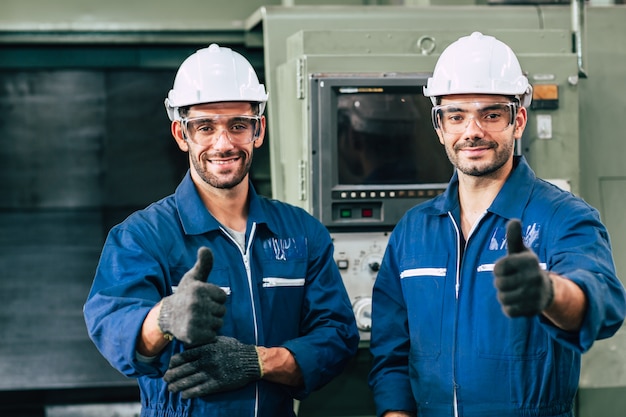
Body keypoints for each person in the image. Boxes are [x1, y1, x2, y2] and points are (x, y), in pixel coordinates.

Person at [83, 43, 359, 417]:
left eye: (238, 125)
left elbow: (337, 337)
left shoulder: (302, 233)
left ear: (257, 131)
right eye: (205, 127)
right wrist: (163, 318)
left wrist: (258, 362)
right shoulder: (142, 236)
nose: (223, 143)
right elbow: (113, 328)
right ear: (182, 135)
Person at [368, 32, 626, 417]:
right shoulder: (413, 231)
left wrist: (550, 292)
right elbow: (391, 354)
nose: (472, 131)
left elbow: (602, 302)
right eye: (456, 116)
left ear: (518, 121)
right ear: (439, 128)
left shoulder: (564, 216)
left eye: (491, 114)